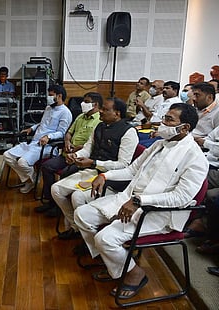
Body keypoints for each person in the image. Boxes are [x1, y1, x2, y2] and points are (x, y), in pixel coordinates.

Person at [74, 103, 208, 299]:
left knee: (105, 239)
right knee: (82, 215)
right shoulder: (159, 144)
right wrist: (105, 175)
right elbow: (131, 170)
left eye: (169, 120)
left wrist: (139, 201)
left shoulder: (195, 157)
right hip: (130, 199)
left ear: (185, 128)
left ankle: (135, 274)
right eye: (164, 118)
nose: (162, 123)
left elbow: (181, 197)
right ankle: (114, 261)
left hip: (158, 212)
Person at [50, 98, 139, 235]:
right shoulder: (100, 126)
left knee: (77, 196)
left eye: (105, 109)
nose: (101, 111)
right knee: (56, 189)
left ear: (117, 113)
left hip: (110, 178)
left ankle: (85, 233)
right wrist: (76, 155)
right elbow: (88, 148)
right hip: (91, 170)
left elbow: (123, 165)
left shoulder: (129, 132)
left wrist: (94, 163)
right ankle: (76, 227)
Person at [35, 92, 102, 215]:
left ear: (95, 104)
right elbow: (69, 132)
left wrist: (77, 149)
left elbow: (91, 144)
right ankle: (51, 201)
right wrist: (67, 142)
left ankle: (61, 207)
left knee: (66, 172)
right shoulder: (81, 116)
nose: (83, 104)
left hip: (82, 158)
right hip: (67, 152)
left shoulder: (99, 121)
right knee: (46, 167)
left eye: (86, 102)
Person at [3, 84, 72, 194]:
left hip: (47, 146)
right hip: (34, 142)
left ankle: (31, 181)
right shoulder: (48, 108)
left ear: (59, 96)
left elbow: (62, 133)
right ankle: (31, 179)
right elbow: (43, 124)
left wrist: (48, 136)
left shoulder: (65, 112)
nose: (48, 97)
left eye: (51, 95)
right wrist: (31, 128)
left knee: (22, 162)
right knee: (7, 155)